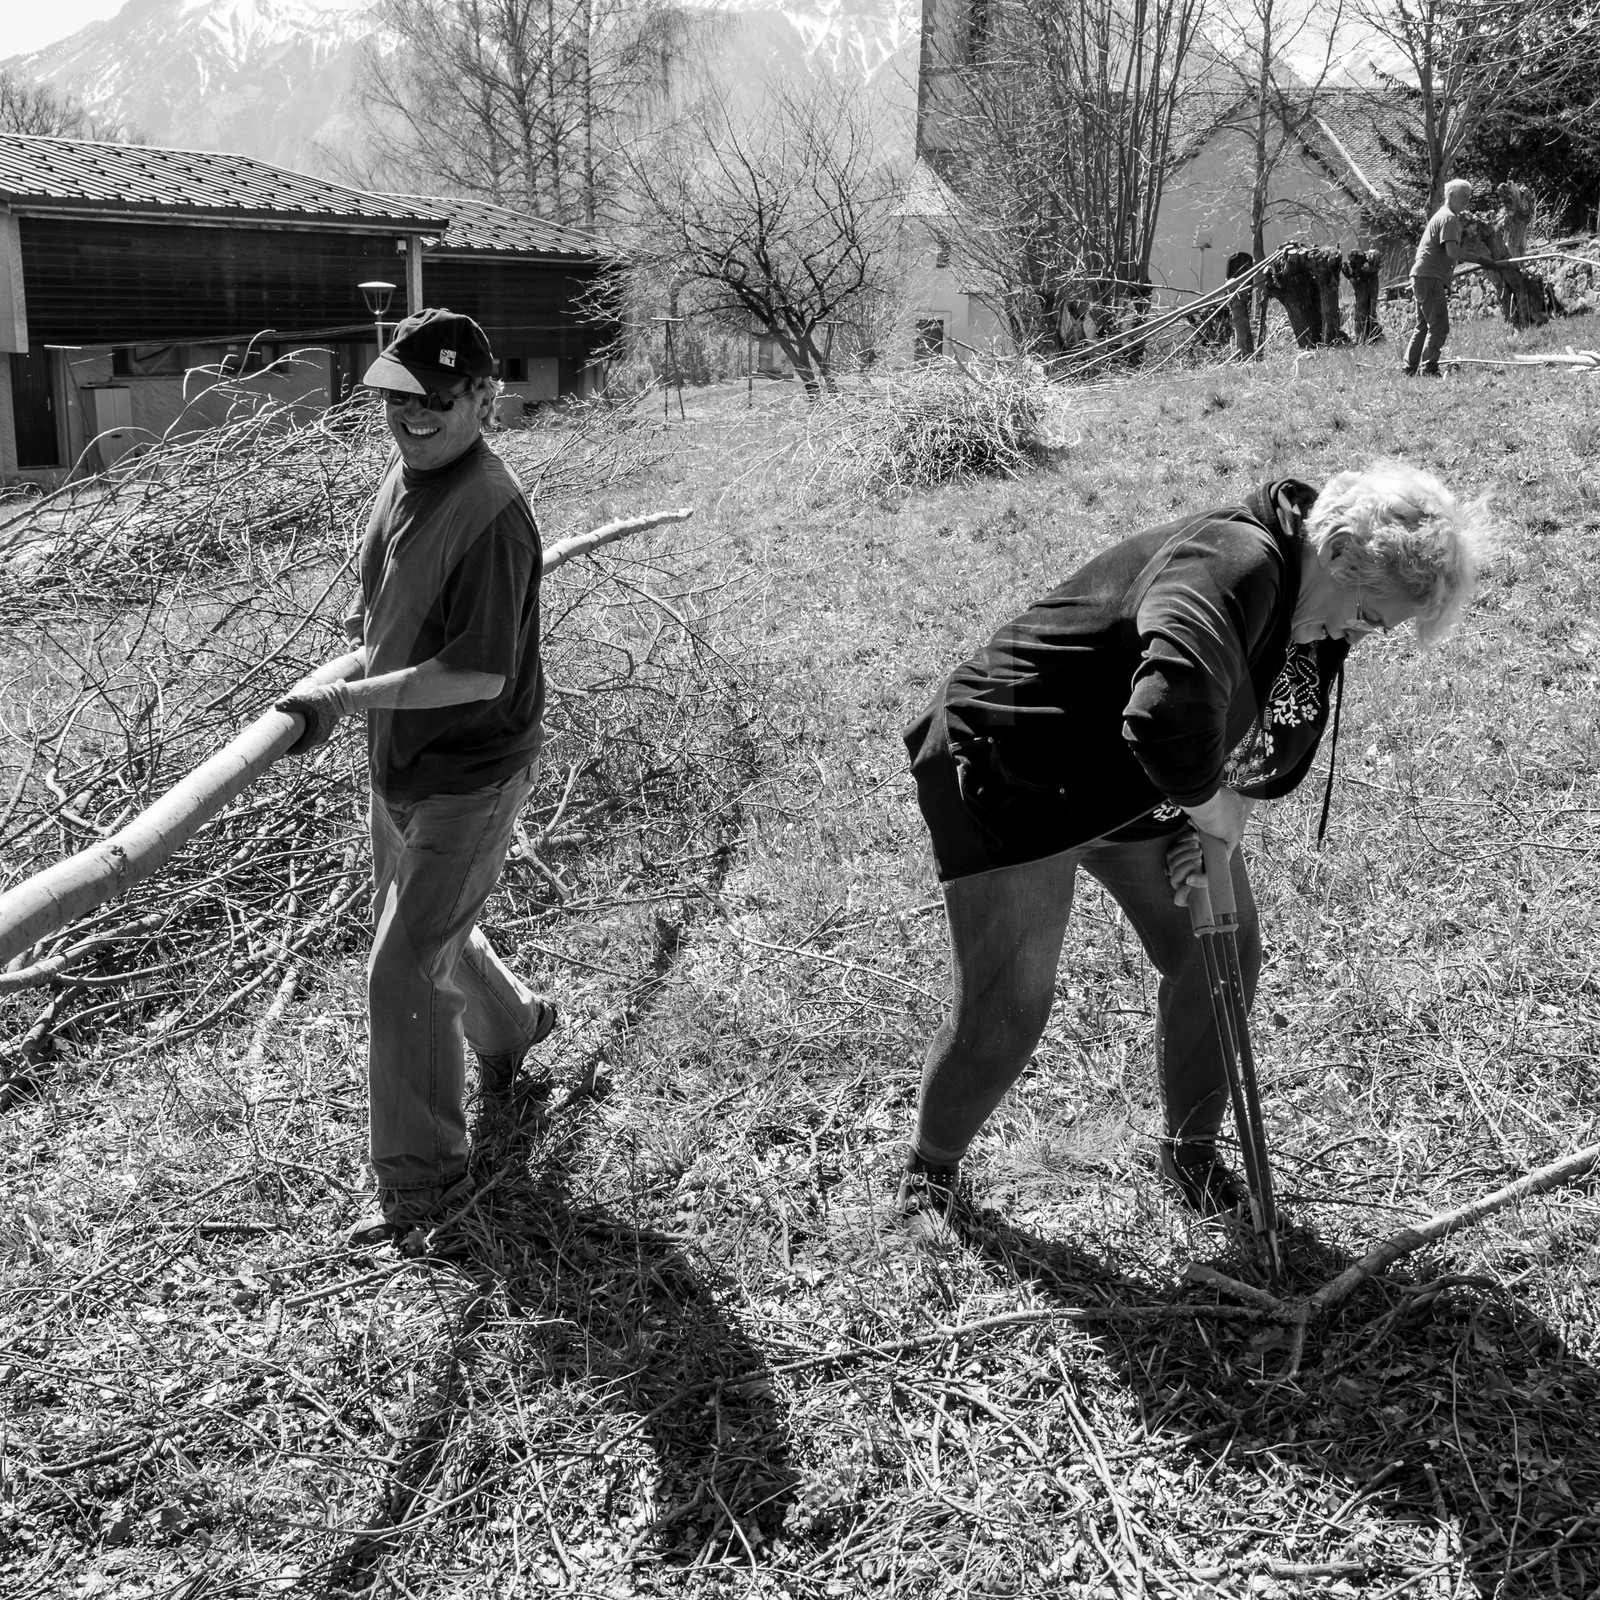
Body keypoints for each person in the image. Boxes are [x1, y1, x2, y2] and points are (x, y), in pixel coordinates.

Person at [898, 465, 1485, 1219]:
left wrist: (1214, 806)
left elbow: (1270, 728)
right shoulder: (1233, 564)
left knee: (1224, 946)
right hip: (1017, 765)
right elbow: (1164, 712)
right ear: (1337, 551)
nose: (1361, 635)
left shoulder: (1319, 604)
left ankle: (1192, 1151)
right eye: (1369, 615)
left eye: (1379, 628)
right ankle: (930, 1172)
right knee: (1010, 1006)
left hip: (1135, 783)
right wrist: (1205, 807)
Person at [275, 307, 557, 1251]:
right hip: (401, 762)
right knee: (423, 925)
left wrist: (346, 706)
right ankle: (514, 1026)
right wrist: (339, 677)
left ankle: (425, 1183)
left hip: (470, 774)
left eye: (437, 398)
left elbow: (478, 672)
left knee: (400, 966)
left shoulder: (493, 515)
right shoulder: (400, 486)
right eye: (398, 397)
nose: (413, 415)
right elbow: (384, 625)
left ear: (483, 397)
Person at [1406, 179, 1473, 377]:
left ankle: (1409, 368)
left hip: (1420, 275)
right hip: (1429, 277)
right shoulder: (1449, 218)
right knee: (1439, 326)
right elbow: (1452, 251)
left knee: (1422, 325)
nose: (1467, 201)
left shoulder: (1440, 216)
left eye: (1469, 197)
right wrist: (1481, 260)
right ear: (1450, 196)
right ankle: (1428, 368)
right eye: (1463, 196)